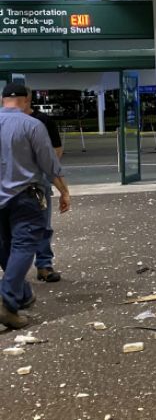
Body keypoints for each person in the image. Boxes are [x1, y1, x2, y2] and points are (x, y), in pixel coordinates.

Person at [0, 83, 70, 329]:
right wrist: (64, 191)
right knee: (23, 244)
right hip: (24, 196)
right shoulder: (32, 125)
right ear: (26, 100)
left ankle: (21, 295)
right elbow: (49, 164)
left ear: (2, 100)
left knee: (5, 245)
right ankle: (6, 301)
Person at [24, 88, 64, 283]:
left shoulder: (43, 122)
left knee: (43, 225)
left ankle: (44, 265)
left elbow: (56, 151)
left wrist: (47, 174)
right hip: (11, 184)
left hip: (38, 183)